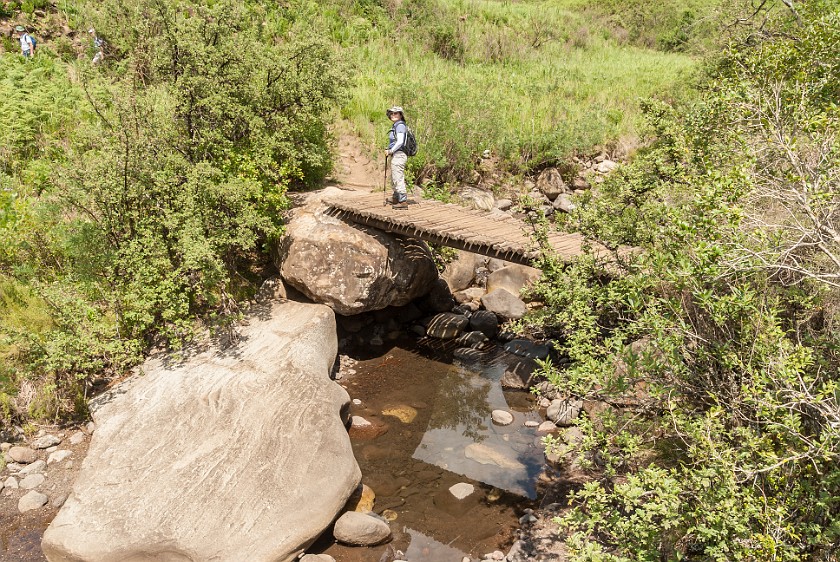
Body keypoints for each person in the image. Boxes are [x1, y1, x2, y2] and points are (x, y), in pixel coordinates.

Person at [385, 106, 409, 207]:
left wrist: (391, 150)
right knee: (394, 176)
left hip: (399, 154)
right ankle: (396, 197)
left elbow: (400, 142)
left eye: (396, 113)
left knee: (398, 177)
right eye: (392, 113)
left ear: (400, 115)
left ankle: (403, 201)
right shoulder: (396, 125)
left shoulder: (400, 126)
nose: (393, 115)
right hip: (396, 154)